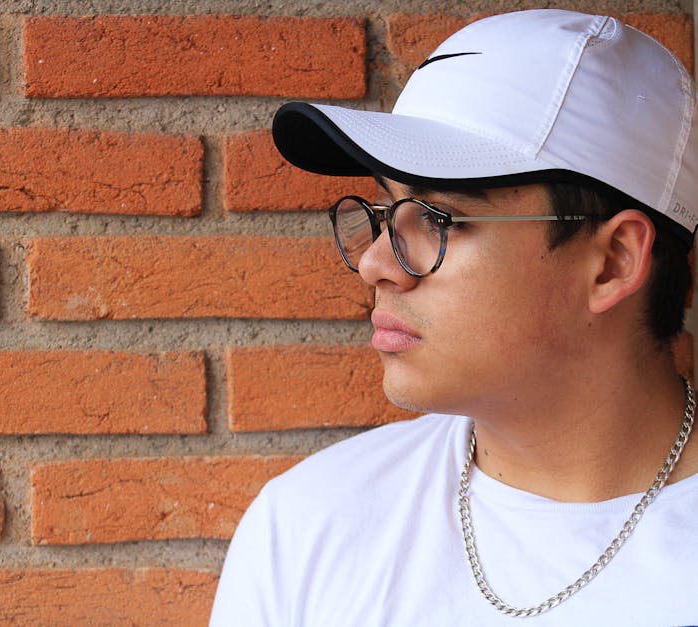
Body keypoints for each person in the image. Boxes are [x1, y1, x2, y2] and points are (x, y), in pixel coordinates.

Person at [209, 9, 698, 626]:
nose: (376, 262)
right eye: (389, 209)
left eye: (440, 218)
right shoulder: (310, 526)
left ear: (612, 263)